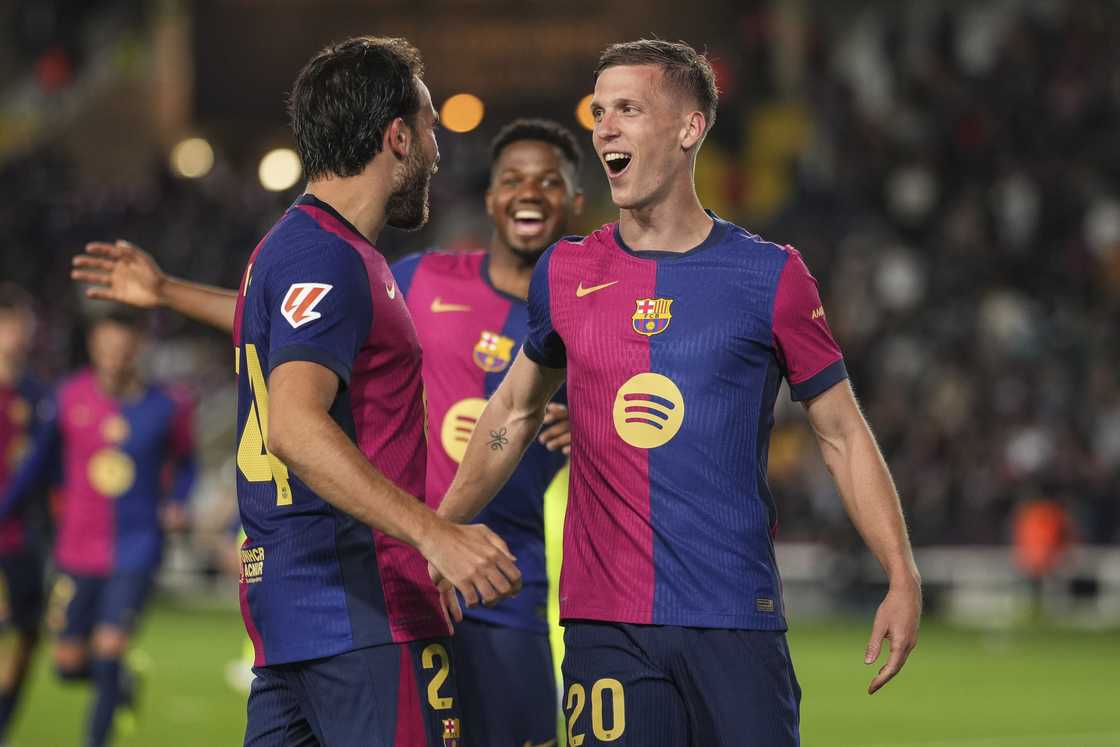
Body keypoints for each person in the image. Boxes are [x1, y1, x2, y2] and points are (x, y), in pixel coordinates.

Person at [434, 39, 922, 746]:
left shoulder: (771, 277)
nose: (604, 127)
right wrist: (440, 531)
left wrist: (900, 573)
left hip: (735, 617)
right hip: (606, 628)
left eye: (628, 109)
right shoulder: (566, 272)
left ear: (690, 129)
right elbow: (512, 409)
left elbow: (842, 432)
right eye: (600, 111)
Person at [76, 36, 521, 746]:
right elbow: (293, 422)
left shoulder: (289, 249)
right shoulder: (332, 256)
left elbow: (286, 332)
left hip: (293, 617)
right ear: (397, 136)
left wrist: (165, 291)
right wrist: (437, 534)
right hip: (366, 613)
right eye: (431, 126)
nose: (438, 149)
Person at [391, 118, 583, 747]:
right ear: (491, 199)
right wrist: (166, 291)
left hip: (507, 582)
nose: (530, 191)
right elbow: (301, 324)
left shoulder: (595, 317)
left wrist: (589, 426)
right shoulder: (422, 279)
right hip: (409, 572)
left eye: (549, 181)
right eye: (513, 179)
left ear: (575, 203)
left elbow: (651, 427)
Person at [0, 308, 195, 747]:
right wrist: (6, 508)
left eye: (124, 347)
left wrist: (179, 502)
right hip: (76, 550)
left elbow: (188, 464)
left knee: (109, 646)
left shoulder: (167, 405)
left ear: (139, 348)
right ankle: (119, 682)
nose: (116, 355)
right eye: (108, 346)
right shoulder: (68, 398)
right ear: (94, 346)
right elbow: (35, 466)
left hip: (137, 546)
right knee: (68, 663)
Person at [0, 286, 51, 744]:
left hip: (22, 538)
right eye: (7, 324)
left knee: (27, 636)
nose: (15, 335)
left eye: (19, 325)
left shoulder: (39, 397)